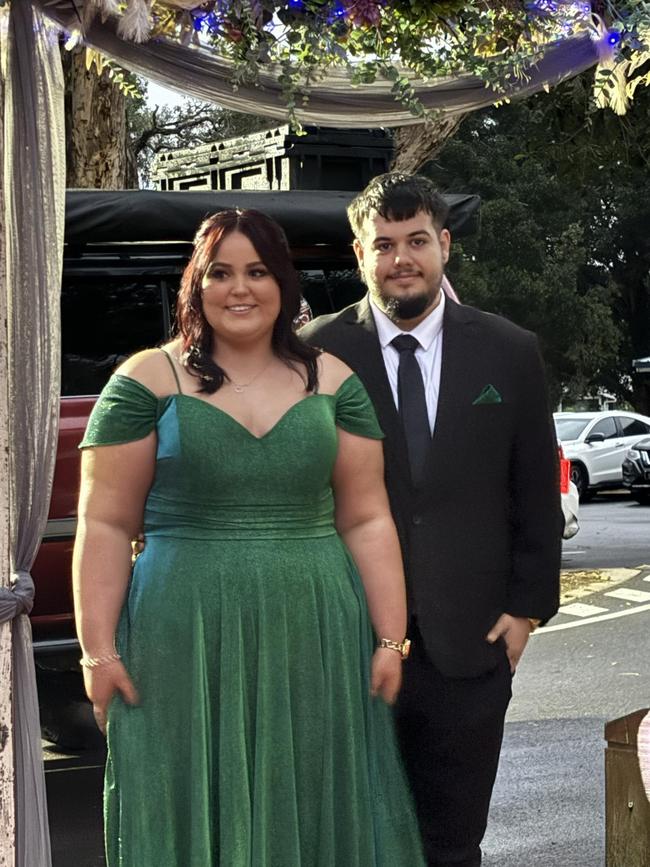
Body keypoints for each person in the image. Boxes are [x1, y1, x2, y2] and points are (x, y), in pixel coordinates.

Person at [72, 208, 426, 867]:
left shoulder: (334, 381)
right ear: (195, 286)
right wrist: (98, 651)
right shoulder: (146, 380)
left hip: (316, 630)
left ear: (283, 284)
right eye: (221, 272)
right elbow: (106, 523)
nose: (240, 289)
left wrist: (388, 638)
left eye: (258, 271)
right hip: (181, 634)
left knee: (321, 796)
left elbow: (367, 517)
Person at [300, 172, 561, 867]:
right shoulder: (314, 357)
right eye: (383, 244)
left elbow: (536, 489)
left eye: (417, 240)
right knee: (355, 842)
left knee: (452, 845)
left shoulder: (509, 351)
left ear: (444, 245)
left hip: (472, 650)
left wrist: (526, 613)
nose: (401, 258)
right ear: (360, 256)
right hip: (347, 646)